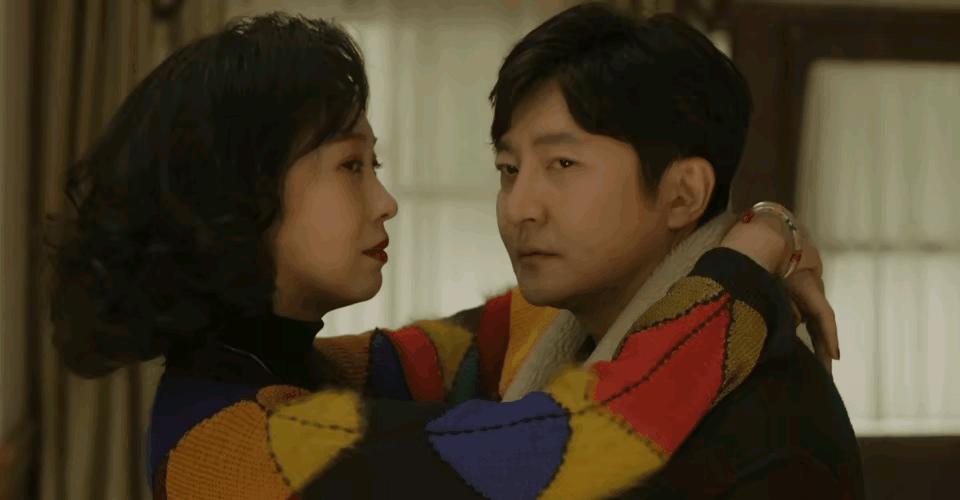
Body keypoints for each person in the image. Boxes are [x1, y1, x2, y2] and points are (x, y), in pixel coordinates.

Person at [48, 9, 852, 500]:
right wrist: (751, 253)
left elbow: (503, 331)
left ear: (681, 193)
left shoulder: (279, 372)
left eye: (559, 164)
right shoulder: (245, 441)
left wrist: (763, 224)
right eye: (351, 166)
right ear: (243, 198)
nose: (386, 201)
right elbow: (580, 439)